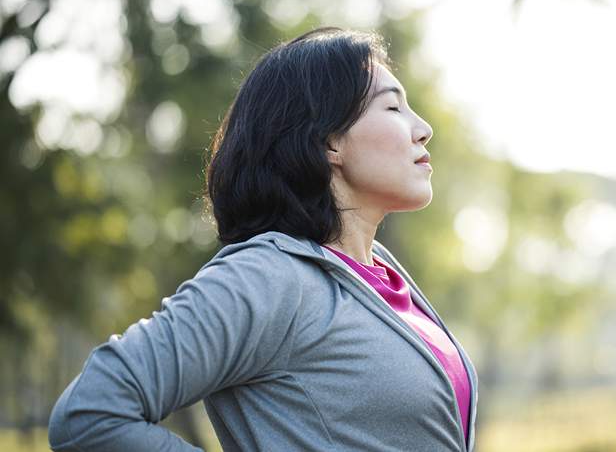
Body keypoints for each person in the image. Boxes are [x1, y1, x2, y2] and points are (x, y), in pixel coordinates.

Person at [47, 26, 478, 452]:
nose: (422, 128)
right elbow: (90, 412)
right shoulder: (270, 277)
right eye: (392, 108)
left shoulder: (383, 275)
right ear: (329, 140)